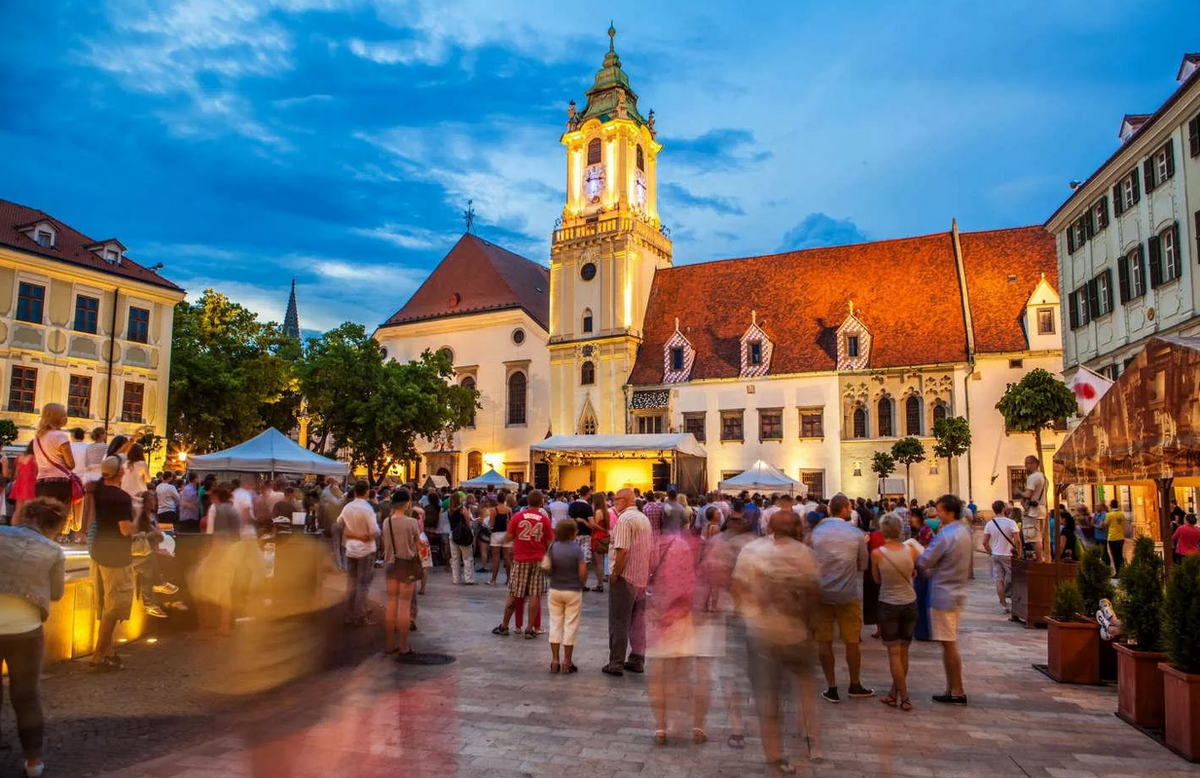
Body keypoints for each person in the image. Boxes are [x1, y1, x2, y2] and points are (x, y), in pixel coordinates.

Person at [732, 508, 820, 778]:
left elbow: (738, 587)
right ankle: (808, 736)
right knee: (804, 684)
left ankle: (775, 755)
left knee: (767, 698)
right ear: (798, 528)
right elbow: (814, 592)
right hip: (795, 634)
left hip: (761, 634)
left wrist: (749, 614)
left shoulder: (752, 551)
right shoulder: (804, 554)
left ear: (767, 527)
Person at [0, 497, 67, 778]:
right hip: (26, 630)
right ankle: (33, 762)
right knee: (26, 696)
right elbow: (56, 593)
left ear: (25, 514)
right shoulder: (53, 551)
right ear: (53, 525)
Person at [810, 494, 873, 702]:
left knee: (824, 641)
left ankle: (832, 686)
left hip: (821, 593)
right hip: (847, 593)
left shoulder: (816, 532)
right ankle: (854, 684)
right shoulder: (855, 533)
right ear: (845, 509)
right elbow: (863, 564)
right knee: (852, 641)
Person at [646, 514, 697, 746]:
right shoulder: (684, 547)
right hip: (679, 615)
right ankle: (678, 720)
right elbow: (689, 583)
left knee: (658, 675)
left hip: (656, 614)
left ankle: (660, 726)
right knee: (679, 671)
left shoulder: (651, 544)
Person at [916, 494, 973, 705]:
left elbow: (925, 560)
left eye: (939, 511)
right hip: (958, 591)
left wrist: (915, 554)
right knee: (948, 642)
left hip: (943, 594)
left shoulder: (946, 535)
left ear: (949, 512)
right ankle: (951, 687)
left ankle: (957, 689)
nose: (936, 515)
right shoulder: (964, 531)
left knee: (948, 644)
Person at [89, 456, 135, 671]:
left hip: (98, 551)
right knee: (114, 606)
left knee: (106, 605)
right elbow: (125, 529)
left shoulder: (98, 488)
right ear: (120, 473)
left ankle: (107, 651)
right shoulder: (122, 498)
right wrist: (141, 517)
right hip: (117, 555)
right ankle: (100, 654)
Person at [603, 488, 654, 677]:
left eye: (616, 499)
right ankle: (637, 659)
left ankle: (615, 663)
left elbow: (622, 550)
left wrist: (616, 573)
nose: (614, 503)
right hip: (641, 577)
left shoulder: (624, 520)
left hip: (626, 577)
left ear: (624, 500)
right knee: (637, 622)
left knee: (619, 621)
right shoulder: (643, 518)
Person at [872, 512, 919, 711]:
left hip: (889, 602)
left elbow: (876, 579)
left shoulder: (878, 553)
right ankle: (894, 693)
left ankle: (904, 696)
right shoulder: (911, 551)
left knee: (893, 652)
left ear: (883, 531)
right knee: (904, 650)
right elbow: (913, 571)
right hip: (910, 601)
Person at [493, 490, 551, 638]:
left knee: (514, 593)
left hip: (521, 559)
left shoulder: (518, 516)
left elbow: (509, 537)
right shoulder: (544, 519)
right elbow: (550, 541)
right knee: (534, 594)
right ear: (541, 502)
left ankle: (505, 626)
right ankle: (530, 629)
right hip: (538, 558)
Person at [381, 489, 423, 658]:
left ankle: (390, 644)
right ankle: (403, 646)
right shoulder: (411, 522)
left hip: (390, 563)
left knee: (391, 603)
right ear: (406, 504)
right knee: (404, 605)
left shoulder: (386, 522)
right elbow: (418, 545)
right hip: (406, 565)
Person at [546, 519, 587, 673]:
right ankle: (567, 661)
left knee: (555, 624)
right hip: (573, 590)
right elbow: (583, 570)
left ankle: (554, 659)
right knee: (571, 624)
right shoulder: (577, 549)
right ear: (573, 533)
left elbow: (546, 567)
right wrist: (581, 583)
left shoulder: (553, 547)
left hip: (555, 589)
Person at [338, 481, 380, 627]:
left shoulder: (348, 507)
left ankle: (349, 614)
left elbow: (339, 523)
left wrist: (351, 534)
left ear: (355, 492)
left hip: (351, 549)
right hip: (366, 550)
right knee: (363, 584)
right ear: (367, 492)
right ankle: (360, 615)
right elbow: (374, 531)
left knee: (351, 583)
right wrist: (363, 536)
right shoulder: (367, 509)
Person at [32, 404, 75, 506]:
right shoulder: (61, 436)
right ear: (56, 418)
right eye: (64, 415)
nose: (66, 418)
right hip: (59, 483)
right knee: (58, 517)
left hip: (41, 483)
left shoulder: (37, 437)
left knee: (44, 517)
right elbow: (71, 464)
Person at [982, 500, 1020, 612]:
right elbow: (1017, 540)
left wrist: (990, 551)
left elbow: (984, 542)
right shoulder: (1011, 522)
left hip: (996, 554)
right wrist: (1019, 552)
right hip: (1008, 554)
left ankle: (1003, 605)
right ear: (1003, 509)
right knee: (1013, 578)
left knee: (999, 580)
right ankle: (1012, 599)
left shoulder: (990, 523)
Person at [1017, 455, 1047, 561]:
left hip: (1033, 512)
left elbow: (1028, 494)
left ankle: (1039, 560)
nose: (1026, 466)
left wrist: (1019, 493)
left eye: (1028, 464)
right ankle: (1040, 559)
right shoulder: (1043, 476)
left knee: (1034, 537)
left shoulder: (1033, 477)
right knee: (1037, 536)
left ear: (1035, 464)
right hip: (1039, 510)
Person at [447, 492, 476, 585]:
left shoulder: (449, 510)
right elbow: (467, 521)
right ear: (458, 499)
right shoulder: (462, 509)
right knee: (467, 557)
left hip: (453, 534)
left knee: (455, 558)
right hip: (463, 535)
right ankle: (468, 579)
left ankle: (456, 579)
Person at [488, 493, 514, 586]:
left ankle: (493, 580)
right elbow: (511, 522)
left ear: (497, 500)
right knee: (507, 558)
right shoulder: (509, 510)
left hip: (496, 534)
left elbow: (491, 524)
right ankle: (509, 580)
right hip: (507, 534)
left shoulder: (493, 510)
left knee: (496, 558)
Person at [589, 492, 612, 592]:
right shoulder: (606, 511)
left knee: (598, 562)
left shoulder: (598, 512)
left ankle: (600, 584)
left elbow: (594, 525)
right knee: (601, 561)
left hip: (597, 536)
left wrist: (583, 521)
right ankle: (600, 583)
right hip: (603, 536)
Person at [120, 443, 150, 516]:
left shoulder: (124, 463)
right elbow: (148, 479)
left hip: (124, 491)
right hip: (139, 492)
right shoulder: (142, 464)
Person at [10, 443, 38, 523]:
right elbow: (37, 473)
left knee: (18, 510)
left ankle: (14, 528)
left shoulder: (20, 456)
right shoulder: (35, 458)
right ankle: (25, 529)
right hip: (30, 484)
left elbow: (16, 474)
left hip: (20, 483)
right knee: (28, 509)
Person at [568, 487, 594, 570]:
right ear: (588, 493)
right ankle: (582, 575)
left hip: (573, 533)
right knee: (584, 559)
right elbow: (591, 524)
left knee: (573, 557)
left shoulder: (572, 505)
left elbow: (569, 520)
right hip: (586, 534)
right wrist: (583, 521)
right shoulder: (588, 507)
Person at [1104, 499, 1127, 574]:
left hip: (1112, 537)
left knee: (1114, 556)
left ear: (1110, 506)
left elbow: (1105, 525)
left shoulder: (1109, 515)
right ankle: (1122, 571)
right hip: (1121, 537)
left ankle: (1117, 572)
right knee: (1120, 555)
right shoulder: (1122, 514)